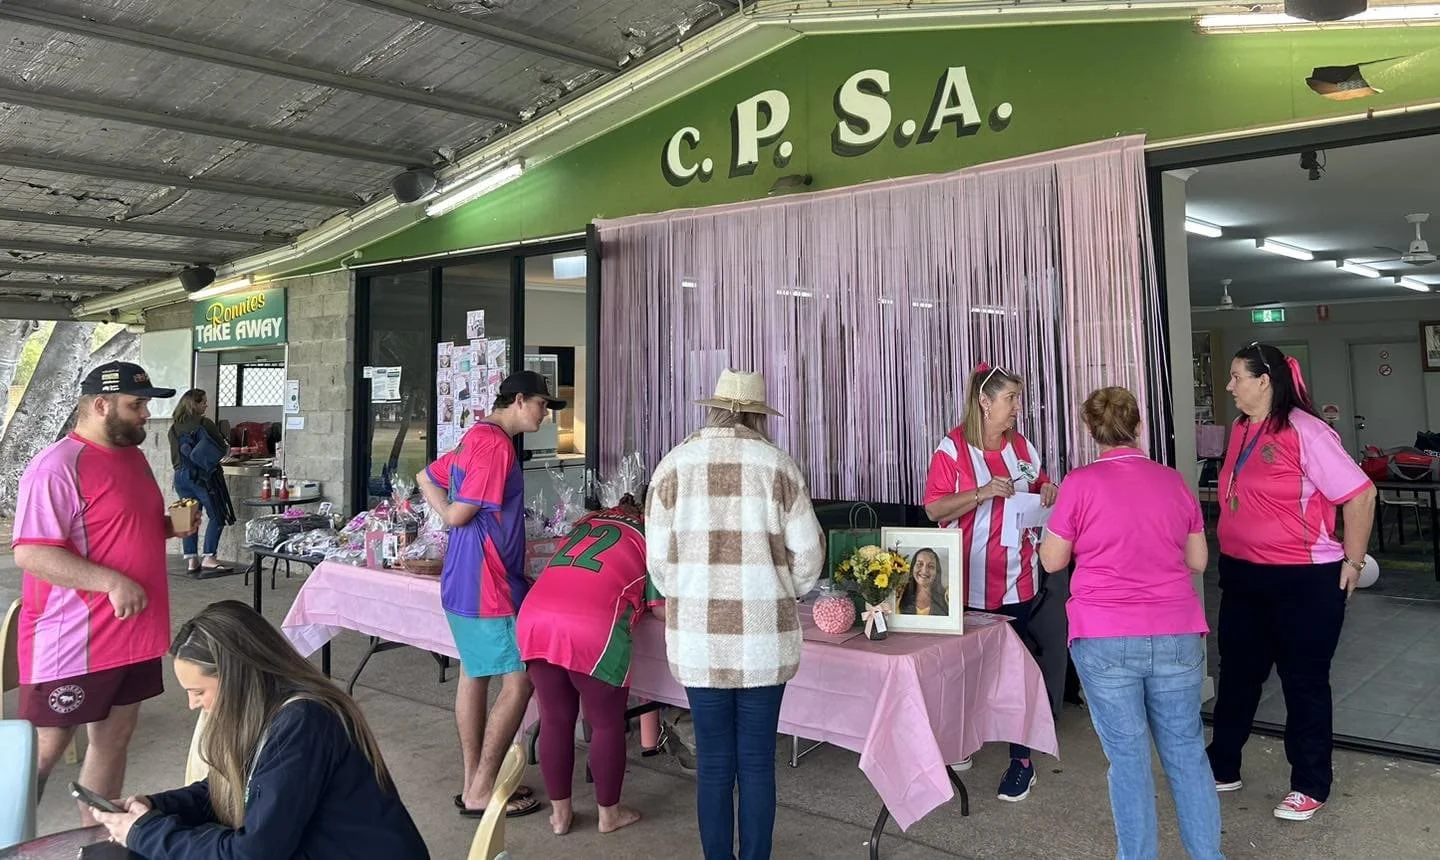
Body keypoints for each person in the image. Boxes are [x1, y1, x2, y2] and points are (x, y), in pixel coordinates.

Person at [646, 369, 825, 860]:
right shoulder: (778, 465)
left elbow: (659, 569)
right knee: (757, 764)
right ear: (757, 414)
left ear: (714, 407)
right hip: (764, 643)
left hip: (700, 644)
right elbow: (809, 561)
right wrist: (777, 583)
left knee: (714, 766)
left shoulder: (673, 467)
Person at [1038, 387, 1222, 859]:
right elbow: (1198, 560)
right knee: (1186, 753)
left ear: (1091, 431)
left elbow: (1054, 561)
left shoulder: (1080, 483)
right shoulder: (1173, 481)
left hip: (1104, 637)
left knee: (1128, 760)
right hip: (1177, 631)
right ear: (1138, 426)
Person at [91, 600, 428, 858]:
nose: (193, 705)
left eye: (198, 692)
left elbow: (254, 853)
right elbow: (232, 788)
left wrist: (144, 833)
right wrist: (155, 806)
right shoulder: (271, 712)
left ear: (237, 678)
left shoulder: (304, 721)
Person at [10, 361, 194, 824]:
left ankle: (96, 843)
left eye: (146, 405)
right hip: (73, 638)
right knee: (45, 748)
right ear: (99, 405)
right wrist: (111, 581)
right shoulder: (55, 468)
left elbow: (125, 526)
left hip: (132, 631)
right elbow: (32, 554)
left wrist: (170, 527)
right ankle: (8, 834)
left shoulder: (132, 458)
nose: (145, 414)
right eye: (136, 405)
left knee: (114, 737)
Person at [1205, 342, 1375, 822]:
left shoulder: (1307, 431)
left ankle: (1310, 783)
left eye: (1237, 376)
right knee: (1238, 676)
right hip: (1242, 574)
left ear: (1265, 381)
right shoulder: (1241, 428)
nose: (1229, 385)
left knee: (1303, 683)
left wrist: (1354, 562)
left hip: (1303, 581)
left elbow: (1361, 495)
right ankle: (1222, 766)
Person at [416, 370, 563, 820]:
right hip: (487, 583)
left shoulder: (475, 435)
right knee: (519, 681)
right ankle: (481, 789)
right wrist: (447, 513)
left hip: (464, 577)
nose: (546, 414)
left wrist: (449, 511)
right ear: (519, 401)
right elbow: (460, 513)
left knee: (474, 675)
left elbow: (426, 475)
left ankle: (473, 783)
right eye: (542, 404)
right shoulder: (496, 445)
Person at [922, 362, 1057, 801]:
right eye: (1011, 399)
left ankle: (1022, 760)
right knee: (960, 669)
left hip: (1016, 579)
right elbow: (934, 510)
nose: (1018, 407)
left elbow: (1039, 484)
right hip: (961, 581)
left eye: (1018, 398)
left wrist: (1049, 489)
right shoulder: (952, 448)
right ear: (984, 402)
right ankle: (959, 741)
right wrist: (981, 493)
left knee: (1013, 673)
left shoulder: (1021, 445)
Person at [515, 494, 663, 836]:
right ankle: (609, 815)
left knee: (554, 718)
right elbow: (660, 607)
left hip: (535, 618)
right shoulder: (651, 536)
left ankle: (560, 815)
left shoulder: (581, 527)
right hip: (592, 628)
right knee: (607, 724)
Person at [168, 389, 235, 574]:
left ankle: (191, 560)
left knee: (188, 517)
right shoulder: (204, 423)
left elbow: (175, 456)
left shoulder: (174, 427)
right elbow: (221, 448)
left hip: (181, 477)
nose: (206, 405)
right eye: (203, 402)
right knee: (217, 515)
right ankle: (210, 557)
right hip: (203, 477)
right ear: (194, 404)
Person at [898, 548, 949, 616]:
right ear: (912, 568)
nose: (924, 570)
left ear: (937, 572)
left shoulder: (947, 596)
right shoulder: (898, 594)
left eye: (931, 566)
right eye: (920, 564)